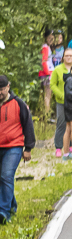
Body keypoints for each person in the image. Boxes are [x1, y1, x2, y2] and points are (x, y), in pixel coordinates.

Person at [0, 74, 35, 224]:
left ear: (8, 87)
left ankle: (3, 212)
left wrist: (28, 148)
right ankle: (12, 205)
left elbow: (28, 125)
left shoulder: (18, 103)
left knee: (6, 175)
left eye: (1, 89)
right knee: (2, 178)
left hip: (14, 145)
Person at [39, 30, 55, 119]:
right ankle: (47, 115)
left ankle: (46, 113)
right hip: (46, 73)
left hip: (47, 72)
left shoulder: (47, 47)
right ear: (46, 38)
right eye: (49, 37)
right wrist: (48, 74)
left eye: (52, 38)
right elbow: (44, 61)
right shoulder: (45, 47)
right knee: (47, 94)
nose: (51, 39)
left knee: (47, 94)